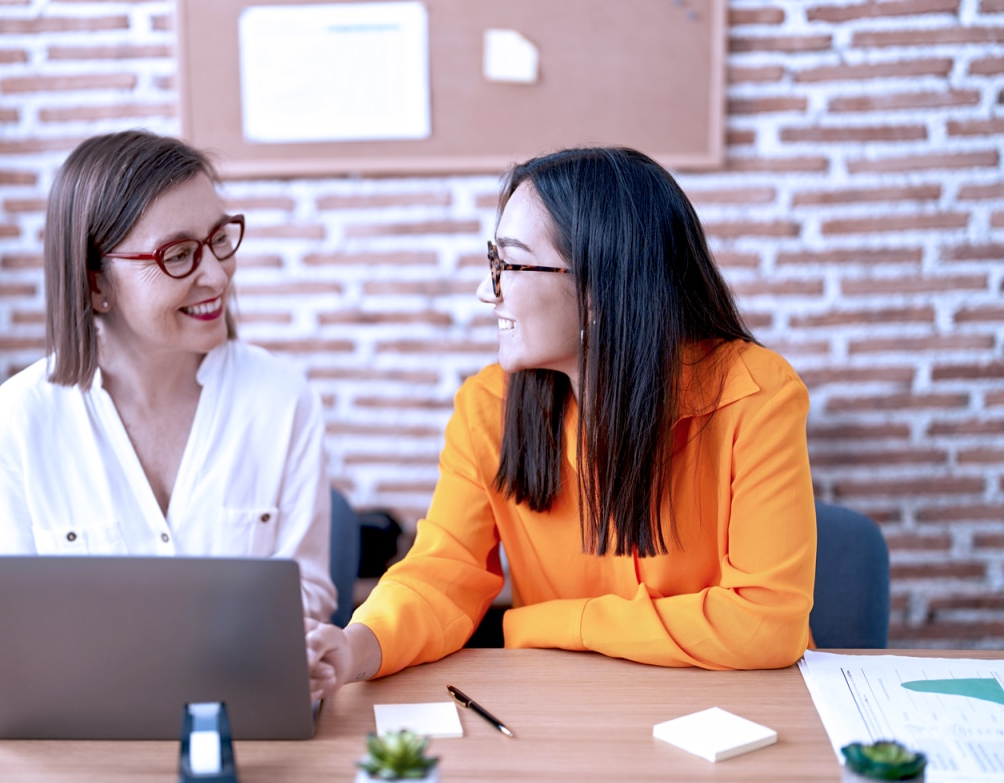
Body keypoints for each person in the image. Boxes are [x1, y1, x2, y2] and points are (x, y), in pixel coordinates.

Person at [307, 146, 816, 698]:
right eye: (492, 261)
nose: (487, 290)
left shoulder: (756, 394)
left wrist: (547, 623)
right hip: (570, 706)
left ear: (599, 288)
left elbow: (766, 624)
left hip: (738, 706)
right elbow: (441, 574)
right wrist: (356, 646)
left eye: (511, 264)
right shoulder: (487, 408)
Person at [0, 130, 337, 624]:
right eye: (178, 254)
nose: (216, 274)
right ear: (96, 281)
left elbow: (309, 592)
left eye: (219, 239)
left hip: (238, 691)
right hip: (86, 702)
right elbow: (9, 620)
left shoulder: (282, 400)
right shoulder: (19, 417)